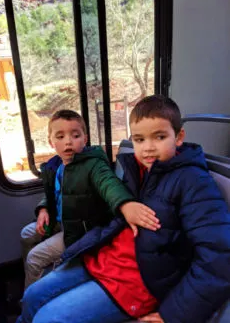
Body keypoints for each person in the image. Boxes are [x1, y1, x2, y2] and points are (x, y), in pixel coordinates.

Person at [17, 95, 230, 323]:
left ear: (178, 137)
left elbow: (219, 256)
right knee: (32, 295)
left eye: (159, 137)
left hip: (140, 280)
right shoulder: (138, 170)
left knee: (48, 318)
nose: (147, 148)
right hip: (106, 258)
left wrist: (174, 314)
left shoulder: (193, 182)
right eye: (139, 139)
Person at [21, 109, 160, 288]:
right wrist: (43, 208)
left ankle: (31, 298)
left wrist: (126, 204)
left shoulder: (93, 165)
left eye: (75, 135)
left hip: (80, 231)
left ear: (85, 139)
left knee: (34, 258)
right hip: (60, 218)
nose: (68, 142)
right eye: (60, 136)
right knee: (25, 234)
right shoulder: (55, 165)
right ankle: (30, 276)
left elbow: (109, 184)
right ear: (51, 142)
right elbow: (53, 193)